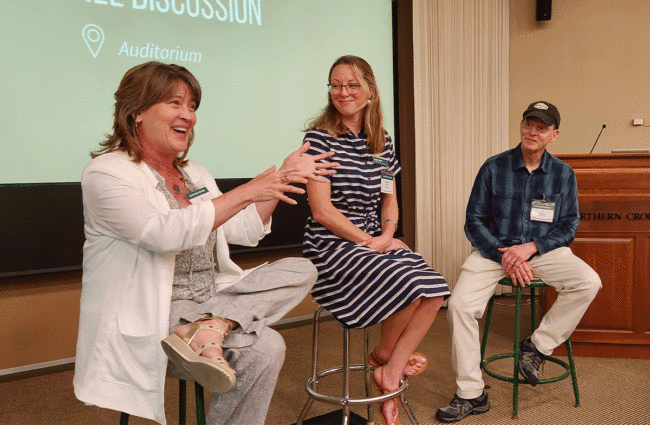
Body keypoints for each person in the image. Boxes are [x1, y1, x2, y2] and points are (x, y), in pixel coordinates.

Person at [73, 61, 338, 425]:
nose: (188, 116)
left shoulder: (194, 173)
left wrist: (282, 178)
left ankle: (211, 326)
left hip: (211, 301)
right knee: (268, 346)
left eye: (193, 107)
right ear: (135, 112)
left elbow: (241, 229)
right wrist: (246, 191)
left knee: (303, 267)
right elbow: (162, 233)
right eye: (175, 103)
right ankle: (206, 328)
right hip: (155, 313)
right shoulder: (107, 172)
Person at [302, 55, 451, 425]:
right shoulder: (318, 138)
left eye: (352, 85)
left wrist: (386, 235)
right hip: (331, 244)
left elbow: (390, 197)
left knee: (434, 287)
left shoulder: (380, 140)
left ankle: (388, 365)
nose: (343, 92)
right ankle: (388, 362)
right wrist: (371, 241)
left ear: (370, 91)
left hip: (373, 239)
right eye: (335, 85)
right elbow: (322, 211)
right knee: (406, 282)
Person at [436, 101, 602, 423]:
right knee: (459, 306)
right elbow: (474, 222)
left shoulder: (563, 174)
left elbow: (568, 226)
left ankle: (537, 346)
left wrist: (531, 247)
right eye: (529, 124)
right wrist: (504, 254)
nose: (533, 131)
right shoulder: (494, 167)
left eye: (541, 127)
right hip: (493, 253)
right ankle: (471, 393)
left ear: (553, 135)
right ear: (522, 126)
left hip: (542, 252)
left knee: (588, 281)